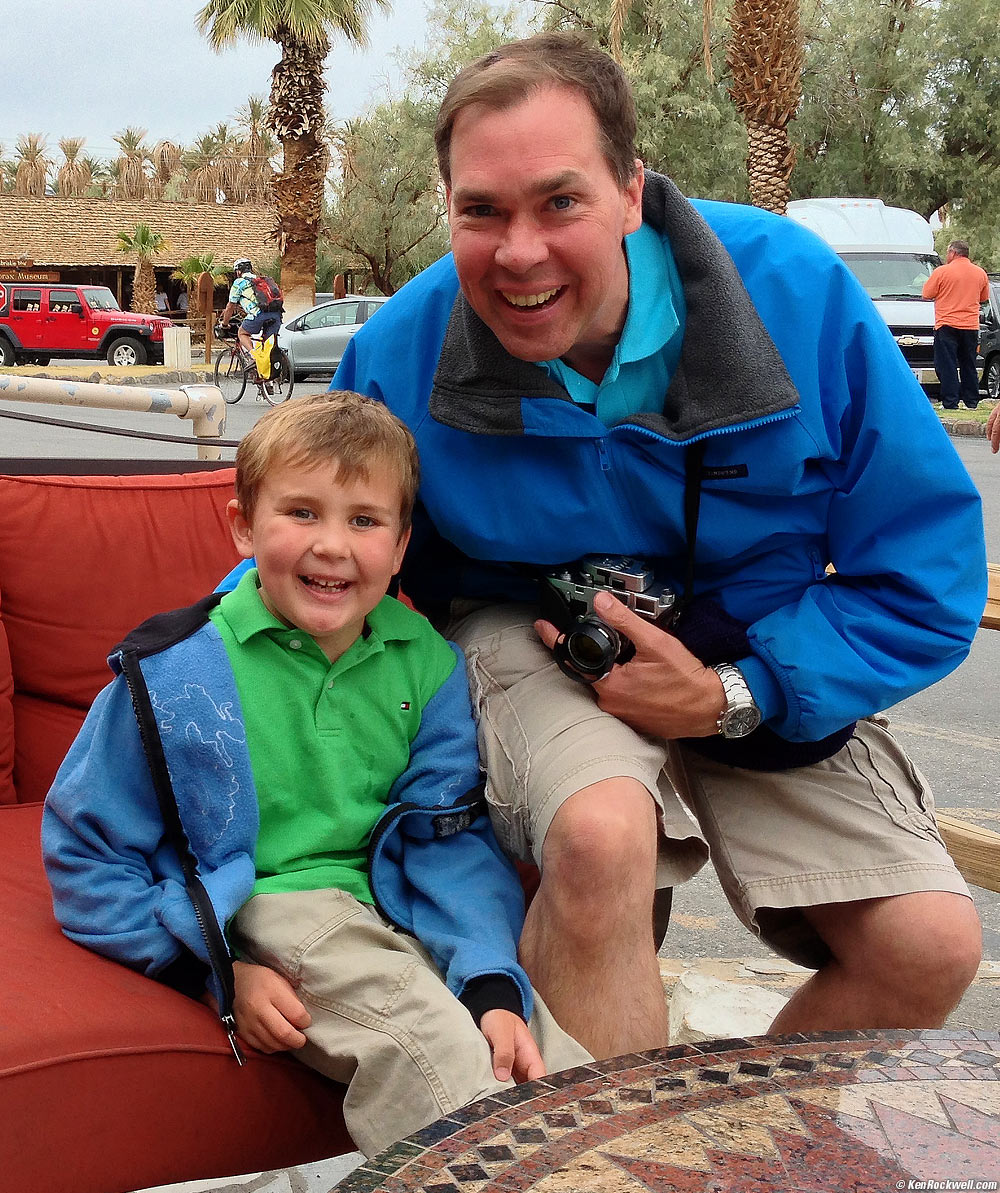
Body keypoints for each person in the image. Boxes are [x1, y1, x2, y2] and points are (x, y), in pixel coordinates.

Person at [333, 33, 987, 1059]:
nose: (518, 253)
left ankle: (723, 1155)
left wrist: (737, 690)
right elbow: (321, 560)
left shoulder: (796, 296)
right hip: (531, 626)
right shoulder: (399, 351)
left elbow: (922, 567)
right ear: (446, 206)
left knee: (929, 940)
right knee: (599, 839)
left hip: (756, 640)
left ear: (631, 191)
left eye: (559, 201)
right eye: (481, 211)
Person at [42, 391, 589, 1157]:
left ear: (401, 546)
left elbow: (445, 842)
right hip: (279, 906)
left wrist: (493, 984)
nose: (332, 545)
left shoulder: (428, 666)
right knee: (429, 1045)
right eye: (302, 512)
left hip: (396, 903)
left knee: (555, 1065)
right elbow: (86, 852)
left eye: (364, 521)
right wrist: (217, 971)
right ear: (242, 525)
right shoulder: (172, 673)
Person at [922, 240, 989, 410]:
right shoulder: (980, 273)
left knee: (947, 364)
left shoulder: (942, 271)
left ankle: (951, 401)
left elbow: (927, 293)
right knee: (969, 364)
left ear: (953, 253)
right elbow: (983, 298)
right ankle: (971, 401)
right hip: (970, 325)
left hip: (947, 324)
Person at [221, 258, 282, 359]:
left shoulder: (239, 282)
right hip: (276, 315)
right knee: (268, 345)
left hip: (258, 314)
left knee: (242, 333)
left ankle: (255, 357)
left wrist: (225, 324)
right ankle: (268, 368)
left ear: (238, 271)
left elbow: (230, 306)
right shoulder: (261, 281)